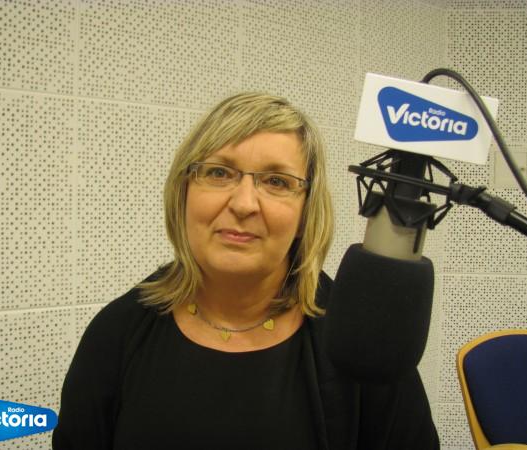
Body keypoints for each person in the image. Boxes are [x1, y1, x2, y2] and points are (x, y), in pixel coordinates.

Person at [52, 93, 439, 450]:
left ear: (306, 212)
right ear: (183, 193)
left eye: (276, 181)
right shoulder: (117, 333)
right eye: (219, 173)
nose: (244, 203)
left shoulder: (364, 342)